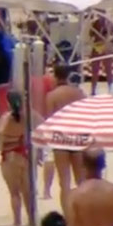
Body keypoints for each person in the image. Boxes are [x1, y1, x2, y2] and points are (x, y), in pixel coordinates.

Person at [46, 64, 86, 215]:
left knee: (65, 183)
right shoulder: (79, 93)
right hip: (77, 137)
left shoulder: (52, 96)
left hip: (60, 139)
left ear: (55, 76)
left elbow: (50, 119)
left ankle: (69, 215)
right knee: (81, 181)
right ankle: (82, 212)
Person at [0, 91, 32, 226]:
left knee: (14, 192)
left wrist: (1, 146)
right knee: (27, 191)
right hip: (23, 154)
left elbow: (0, 136)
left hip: (10, 155)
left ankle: (17, 221)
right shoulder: (25, 117)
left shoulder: (6, 118)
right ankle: (31, 219)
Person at [89, 14, 113, 95]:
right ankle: (93, 90)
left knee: (108, 70)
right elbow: (90, 35)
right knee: (95, 70)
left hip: (107, 46)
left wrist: (111, 38)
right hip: (97, 46)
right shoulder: (94, 22)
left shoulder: (109, 23)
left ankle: (111, 90)